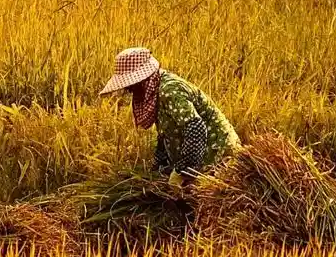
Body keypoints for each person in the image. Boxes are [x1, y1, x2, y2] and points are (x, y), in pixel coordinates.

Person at [99, 47, 240, 177]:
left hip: (219, 155)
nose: (128, 89)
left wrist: (184, 171)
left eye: (130, 84)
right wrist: (157, 168)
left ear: (142, 79)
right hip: (202, 155)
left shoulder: (170, 90)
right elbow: (166, 133)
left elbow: (196, 127)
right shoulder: (155, 92)